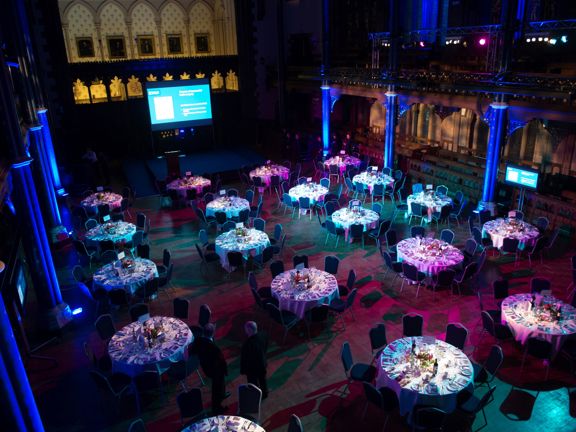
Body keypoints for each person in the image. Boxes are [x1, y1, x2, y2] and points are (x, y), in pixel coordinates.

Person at [188, 323, 229, 413]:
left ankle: (222, 395)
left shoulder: (198, 341)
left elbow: (192, 351)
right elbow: (221, 361)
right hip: (215, 370)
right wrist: (225, 371)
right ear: (213, 333)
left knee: (220, 385)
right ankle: (217, 407)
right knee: (216, 388)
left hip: (206, 367)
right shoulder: (214, 348)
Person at [240, 321, 269, 399]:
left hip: (252, 368)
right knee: (263, 380)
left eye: (245, 329)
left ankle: (256, 395)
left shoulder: (247, 345)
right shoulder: (264, 335)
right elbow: (265, 347)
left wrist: (243, 370)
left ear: (249, 330)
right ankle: (265, 394)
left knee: (253, 382)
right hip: (262, 363)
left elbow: (244, 359)